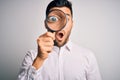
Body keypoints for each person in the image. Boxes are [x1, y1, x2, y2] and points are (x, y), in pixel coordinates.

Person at [17, 0, 102, 80]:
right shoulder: (32, 57)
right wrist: (39, 59)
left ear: (72, 24)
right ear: (46, 24)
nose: (61, 24)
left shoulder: (88, 57)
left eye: (67, 19)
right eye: (54, 19)